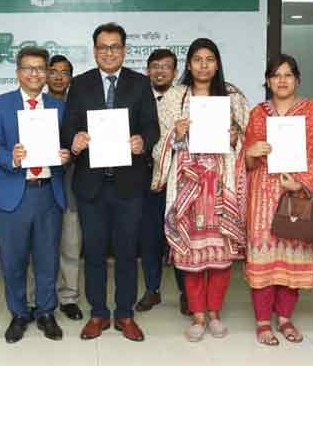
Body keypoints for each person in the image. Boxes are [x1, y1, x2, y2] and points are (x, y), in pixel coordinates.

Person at [62, 22, 159, 342]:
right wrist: (75, 139)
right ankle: (99, 313)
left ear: (124, 50)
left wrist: (142, 141)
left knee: (127, 252)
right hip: (91, 184)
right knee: (93, 252)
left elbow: (152, 126)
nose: (108, 52)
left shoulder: (140, 84)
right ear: (94, 51)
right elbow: (68, 126)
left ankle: (125, 314)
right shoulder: (80, 84)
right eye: (103, 47)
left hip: (129, 184)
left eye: (114, 47)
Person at [151, 38, 248, 342]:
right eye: (197, 59)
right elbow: (158, 145)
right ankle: (197, 315)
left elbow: (250, 139)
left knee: (220, 256)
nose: (203, 65)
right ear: (189, 65)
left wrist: (235, 138)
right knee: (190, 256)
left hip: (221, 184)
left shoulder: (232, 97)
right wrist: (176, 135)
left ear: (217, 64)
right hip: (187, 187)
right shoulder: (175, 97)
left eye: (209, 59)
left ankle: (215, 313)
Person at [243, 54, 313, 345]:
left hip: (298, 196)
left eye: (287, 75)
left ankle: (285, 318)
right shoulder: (257, 114)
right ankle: (263, 322)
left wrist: (300, 183)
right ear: (268, 81)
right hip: (263, 198)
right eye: (276, 75)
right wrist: (251, 153)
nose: (282, 80)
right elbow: (246, 162)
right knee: (263, 257)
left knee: (293, 258)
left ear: (297, 80)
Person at [0, 47, 71, 343]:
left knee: (48, 259)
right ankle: (19, 313)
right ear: (18, 73)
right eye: (28, 68)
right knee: (13, 261)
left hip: (48, 193)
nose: (35, 74)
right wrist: (11, 157)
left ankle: (46, 312)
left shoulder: (58, 107)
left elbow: (68, 146)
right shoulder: (0, 104)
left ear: (47, 73)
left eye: (40, 68)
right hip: (13, 193)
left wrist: (66, 155)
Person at [26, 54, 83, 321]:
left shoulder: (80, 104)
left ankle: (69, 296)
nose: (59, 77)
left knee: (71, 243)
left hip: (72, 182)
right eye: (53, 72)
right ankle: (33, 298)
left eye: (65, 72)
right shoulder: (33, 105)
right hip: (40, 183)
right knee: (37, 246)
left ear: (71, 77)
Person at [137, 48, 188, 314]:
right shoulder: (138, 95)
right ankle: (152, 290)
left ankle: (186, 293)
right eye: (155, 66)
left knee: (179, 236)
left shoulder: (185, 98)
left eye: (165, 67)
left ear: (175, 72)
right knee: (149, 238)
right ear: (147, 70)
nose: (159, 71)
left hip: (178, 179)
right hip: (145, 178)